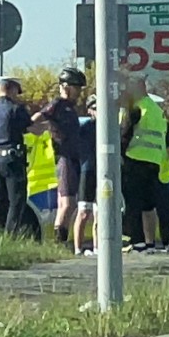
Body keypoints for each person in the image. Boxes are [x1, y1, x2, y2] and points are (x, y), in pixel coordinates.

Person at [120, 71, 169, 253]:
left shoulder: (136, 108)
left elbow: (124, 134)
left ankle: (138, 243)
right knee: (148, 205)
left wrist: (117, 156)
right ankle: (149, 245)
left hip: (134, 160)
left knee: (133, 204)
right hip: (153, 163)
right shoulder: (157, 111)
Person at [31, 67, 87, 244]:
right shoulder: (58, 104)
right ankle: (59, 242)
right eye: (77, 88)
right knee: (67, 203)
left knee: (69, 203)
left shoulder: (70, 108)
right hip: (64, 158)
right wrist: (37, 127)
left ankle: (61, 240)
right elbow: (37, 118)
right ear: (66, 87)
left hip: (73, 158)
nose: (79, 92)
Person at [0, 76, 36, 238]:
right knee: (16, 201)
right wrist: (49, 125)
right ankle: (10, 237)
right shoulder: (16, 109)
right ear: (12, 89)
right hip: (13, 160)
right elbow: (31, 129)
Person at [73, 94, 99, 256]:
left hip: (104, 173)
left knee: (100, 213)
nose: (99, 111)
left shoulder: (110, 127)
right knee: (83, 212)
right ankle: (78, 249)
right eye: (95, 108)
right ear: (89, 110)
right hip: (87, 172)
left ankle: (98, 248)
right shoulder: (85, 128)